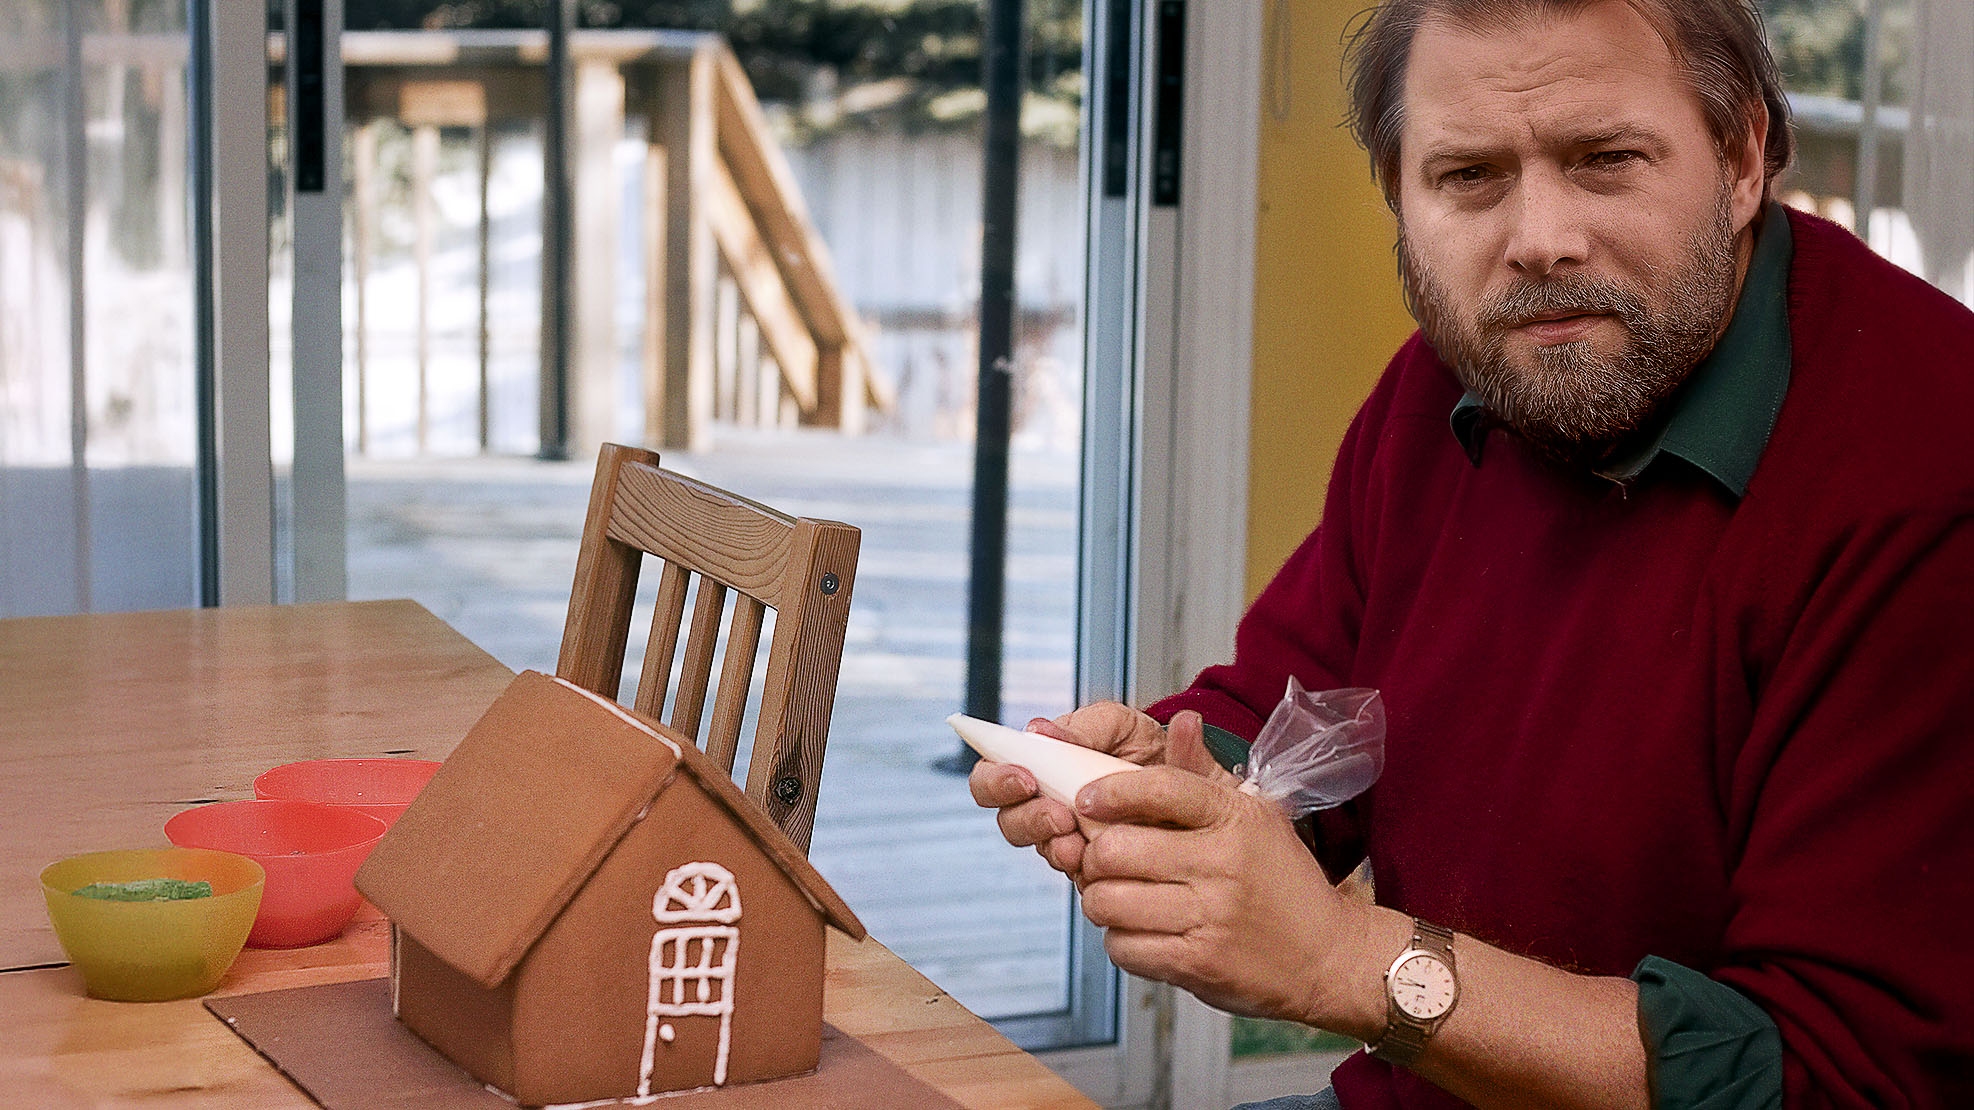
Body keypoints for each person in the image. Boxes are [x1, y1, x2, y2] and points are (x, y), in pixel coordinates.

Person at [969, 1, 1974, 1107]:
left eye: (1605, 160)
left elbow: (1830, 1075)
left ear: (1741, 160)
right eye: (1470, 177)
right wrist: (1183, 791)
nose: (1539, 238)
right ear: (1400, 200)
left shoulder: (1931, 471)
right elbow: (1299, 721)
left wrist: (1343, 963)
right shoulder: (1457, 380)